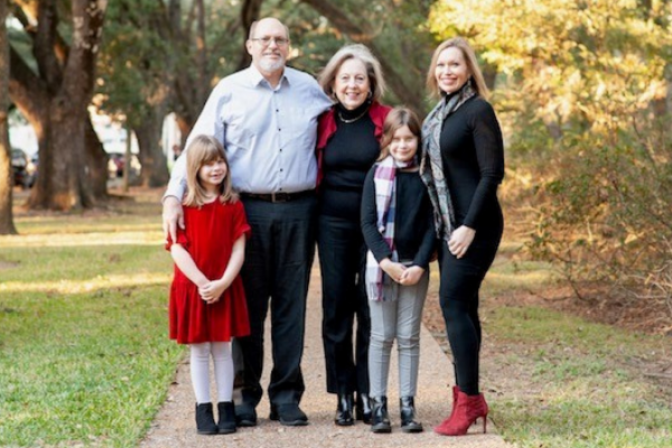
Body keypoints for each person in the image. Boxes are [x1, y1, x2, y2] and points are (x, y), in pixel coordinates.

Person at [162, 18, 333, 427]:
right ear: (250, 45)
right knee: (247, 306)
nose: (273, 45)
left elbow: (344, 120)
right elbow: (196, 147)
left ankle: (287, 396)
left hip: (299, 209)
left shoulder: (309, 88)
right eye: (265, 39)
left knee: (292, 305)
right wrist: (173, 196)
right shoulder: (229, 91)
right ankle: (243, 396)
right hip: (246, 211)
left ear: (289, 47)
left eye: (280, 40)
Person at [419, 37, 505, 436]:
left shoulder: (477, 111)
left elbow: (491, 174)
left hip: (478, 224)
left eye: (455, 65)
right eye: (441, 65)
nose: (447, 71)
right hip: (451, 225)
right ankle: (467, 397)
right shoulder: (438, 116)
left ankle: (468, 401)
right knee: (464, 306)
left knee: (452, 301)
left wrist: (468, 226)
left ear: (469, 70)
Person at [315, 44, 391, 426]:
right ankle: (343, 394)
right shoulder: (323, 119)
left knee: (371, 306)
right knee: (336, 308)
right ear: (333, 82)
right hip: (331, 225)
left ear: (370, 83)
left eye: (359, 78)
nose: (352, 85)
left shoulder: (386, 120)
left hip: (375, 228)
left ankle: (369, 392)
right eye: (345, 77)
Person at [166, 135, 251, 436]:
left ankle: (226, 406)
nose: (216, 169)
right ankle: (204, 409)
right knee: (199, 350)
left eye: (219, 162)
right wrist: (203, 283)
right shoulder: (185, 207)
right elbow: (177, 248)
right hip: (194, 287)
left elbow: (239, 249)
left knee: (223, 349)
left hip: (224, 285)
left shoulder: (233, 205)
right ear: (194, 168)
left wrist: (223, 283)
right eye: (208, 164)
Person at [360, 107, 436, 434]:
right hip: (383, 266)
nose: (403, 145)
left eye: (409, 139)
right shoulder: (376, 173)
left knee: (408, 336)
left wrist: (419, 264)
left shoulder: (427, 176)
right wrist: (385, 262)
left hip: (415, 268)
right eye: (396, 139)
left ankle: (407, 405)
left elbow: (435, 224)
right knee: (381, 336)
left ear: (419, 140)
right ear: (387, 140)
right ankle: (379, 406)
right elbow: (366, 223)